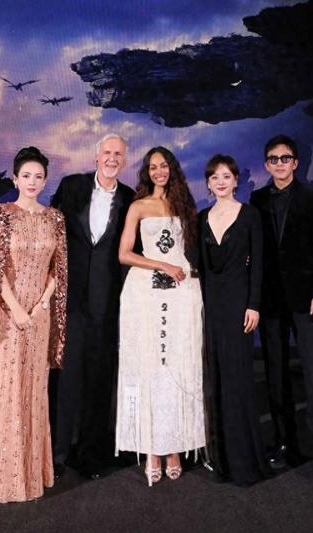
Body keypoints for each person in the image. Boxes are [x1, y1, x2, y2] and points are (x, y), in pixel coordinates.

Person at [0, 146, 67, 502]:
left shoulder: (55, 218)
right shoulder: (2, 215)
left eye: (38, 176)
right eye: (26, 175)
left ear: (45, 180)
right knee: (7, 389)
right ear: (14, 179)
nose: (32, 181)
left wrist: (40, 306)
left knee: (34, 389)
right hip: (8, 318)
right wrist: (17, 311)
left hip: (40, 318)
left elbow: (59, 269)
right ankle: (3, 479)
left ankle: (32, 475)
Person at [250, 134, 313, 478]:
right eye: (273, 159)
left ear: (295, 162)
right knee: (276, 376)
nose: (279, 164)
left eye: (285, 158)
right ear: (267, 164)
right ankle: (284, 442)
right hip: (270, 301)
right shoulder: (257, 200)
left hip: (306, 300)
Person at [115, 146, 205, 485]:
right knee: (149, 365)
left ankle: (175, 447)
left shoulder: (185, 206)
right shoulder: (138, 206)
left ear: (172, 169)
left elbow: (197, 250)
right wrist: (161, 265)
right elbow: (124, 254)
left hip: (182, 292)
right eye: (152, 167)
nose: (158, 172)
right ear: (146, 172)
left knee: (178, 364)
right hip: (145, 292)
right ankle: (151, 447)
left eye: (164, 166)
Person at [50, 133, 135, 479]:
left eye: (118, 154)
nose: (112, 159)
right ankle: (55, 453)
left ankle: (90, 455)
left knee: (99, 381)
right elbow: (50, 234)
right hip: (69, 300)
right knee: (64, 378)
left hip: (107, 304)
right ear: (96, 156)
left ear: (124, 161)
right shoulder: (71, 186)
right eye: (107, 153)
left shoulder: (131, 199)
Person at [198, 154, 272, 486]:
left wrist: (254, 304)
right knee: (216, 379)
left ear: (236, 180)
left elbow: (258, 265)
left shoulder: (250, 215)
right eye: (214, 177)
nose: (220, 182)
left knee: (238, 379)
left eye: (226, 176)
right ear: (208, 182)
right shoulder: (201, 218)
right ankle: (222, 460)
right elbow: (198, 267)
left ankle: (245, 462)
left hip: (240, 305)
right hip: (211, 307)